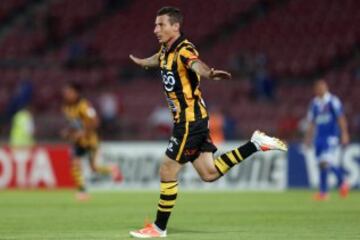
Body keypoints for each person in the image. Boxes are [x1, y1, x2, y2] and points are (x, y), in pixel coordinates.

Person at [129, 7, 287, 238]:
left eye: (160, 25)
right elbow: (159, 59)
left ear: (175, 26)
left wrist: (210, 73)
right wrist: (143, 61)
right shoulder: (166, 49)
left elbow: (196, 64)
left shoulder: (184, 49)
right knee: (209, 173)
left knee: (167, 169)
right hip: (195, 120)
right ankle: (255, 144)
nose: (156, 29)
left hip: (189, 121)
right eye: (155, 25)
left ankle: (159, 228)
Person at [61, 82, 122, 201]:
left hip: (90, 141)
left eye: (69, 92)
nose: (66, 95)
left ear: (76, 93)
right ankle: (82, 191)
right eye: (65, 92)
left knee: (94, 167)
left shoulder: (84, 105)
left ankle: (112, 169)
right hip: (78, 141)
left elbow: (95, 121)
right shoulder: (66, 107)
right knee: (75, 163)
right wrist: (67, 132)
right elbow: (73, 124)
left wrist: (83, 132)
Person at [304, 79, 350, 201]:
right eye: (318, 88)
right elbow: (311, 122)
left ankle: (342, 182)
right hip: (319, 138)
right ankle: (324, 193)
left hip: (331, 137)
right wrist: (308, 138)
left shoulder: (333, 101)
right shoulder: (314, 103)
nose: (321, 89)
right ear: (316, 90)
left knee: (325, 161)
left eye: (323, 87)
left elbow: (341, 118)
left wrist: (344, 133)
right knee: (322, 164)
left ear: (326, 88)